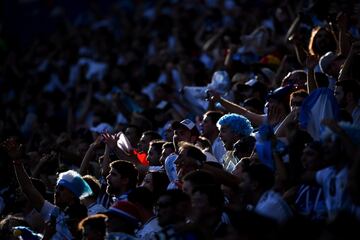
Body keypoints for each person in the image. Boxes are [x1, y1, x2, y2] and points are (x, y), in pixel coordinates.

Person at [5, 137, 92, 239]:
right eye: (57, 188)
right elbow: (28, 188)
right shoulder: (54, 213)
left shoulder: (83, 223)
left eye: (62, 189)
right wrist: (17, 162)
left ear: (73, 194)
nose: (56, 192)